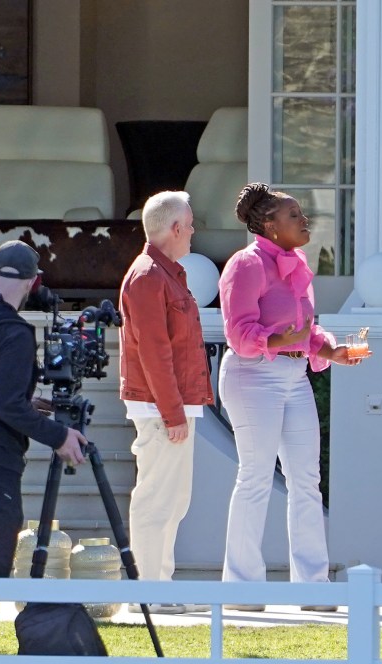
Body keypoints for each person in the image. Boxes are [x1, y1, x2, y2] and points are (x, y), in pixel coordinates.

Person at [218, 183, 361, 612]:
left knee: (307, 480)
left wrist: (331, 350)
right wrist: (284, 338)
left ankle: (312, 587)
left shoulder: (296, 262)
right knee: (256, 476)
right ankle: (242, 588)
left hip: (294, 376)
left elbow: (306, 332)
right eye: (294, 214)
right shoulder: (245, 265)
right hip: (251, 376)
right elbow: (240, 335)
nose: (305, 220)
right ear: (269, 225)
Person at [0, 241, 86, 654]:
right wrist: (59, 436)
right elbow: (3, 403)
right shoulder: (15, 333)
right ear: (32, 282)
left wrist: (28, 404)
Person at [120, 191, 214, 608]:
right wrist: (173, 412)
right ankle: (150, 593)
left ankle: (158, 588)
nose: (193, 231)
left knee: (173, 499)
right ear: (175, 228)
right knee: (158, 497)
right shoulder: (148, 277)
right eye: (190, 224)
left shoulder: (163, 274)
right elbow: (153, 351)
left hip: (169, 405)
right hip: (160, 406)